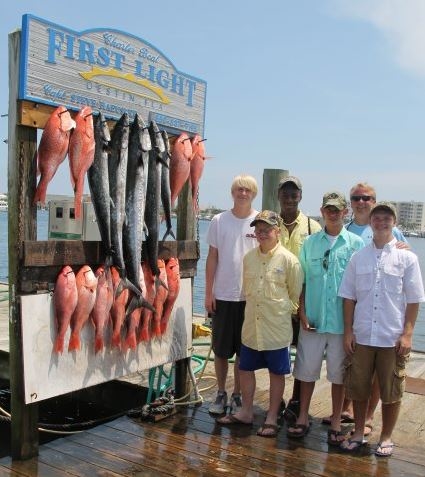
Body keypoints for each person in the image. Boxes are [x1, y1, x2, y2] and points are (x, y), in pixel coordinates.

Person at [338, 202, 425, 456]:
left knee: (392, 391)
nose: (382, 222)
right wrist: (348, 331)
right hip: (363, 335)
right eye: (377, 218)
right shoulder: (358, 257)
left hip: (391, 337)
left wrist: (408, 334)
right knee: (359, 387)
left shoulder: (407, 257)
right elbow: (348, 297)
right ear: (370, 222)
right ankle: (357, 432)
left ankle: (386, 437)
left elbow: (413, 299)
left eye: (387, 218)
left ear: (394, 223)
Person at [323, 182, 409, 433]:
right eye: (356, 198)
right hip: (351, 305)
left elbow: (405, 267)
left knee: (375, 374)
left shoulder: (395, 234)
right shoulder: (344, 229)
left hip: (382, 313)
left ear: (374, 202)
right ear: (350, 203)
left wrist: (407, 330)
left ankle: (369, 417)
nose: (361, 202)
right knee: (352, 365)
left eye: (366, 198)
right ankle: (346, 410)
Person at [217, 210, 303, 437]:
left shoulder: (289, 260)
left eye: (267, 229)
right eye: (258, 229)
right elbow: (247, 289)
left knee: (277, 373)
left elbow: (294, 294)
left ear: (278, 232)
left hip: (276, 330)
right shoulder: (249, 259)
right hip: (251, 329)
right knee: (245, 369)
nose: (262, 233)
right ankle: (246, 411)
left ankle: (272, 417)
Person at [286, 192, 364, 446]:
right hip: (314, 321)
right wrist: (302, 312)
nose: (332, 213)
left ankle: (337, 422)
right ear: (322, 211)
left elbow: (361, 286)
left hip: (342, 324)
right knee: (306, 371)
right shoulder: (310, 243)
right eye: (328, 209)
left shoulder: (356, 244)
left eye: (337, 209)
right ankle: (302, 418)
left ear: (345, 213)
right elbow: (303, 281)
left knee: (338, 376)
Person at [205, 174, 259, 415]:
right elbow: (212, 257)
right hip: (223, 295)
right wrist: (208, 292)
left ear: (254, 194)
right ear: (232, 192)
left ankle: (237, 393)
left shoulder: (260, 221)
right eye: (239, 189)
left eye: (247, 190)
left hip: (249, 298)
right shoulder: (219, 220)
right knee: (220, 350)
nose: (243, 193)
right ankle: (220, 392)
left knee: (243, 350)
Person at [277, 176, 321, 422]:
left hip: (304, 302)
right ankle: (277, 399)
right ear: (278, 195)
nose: (290, 198)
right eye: (285, 193)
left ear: (300, 197)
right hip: (277, 304)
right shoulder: (271, 222)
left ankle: (296, 401)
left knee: (303, 356)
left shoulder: (313, 227)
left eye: (294, 194)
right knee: (279, 355)